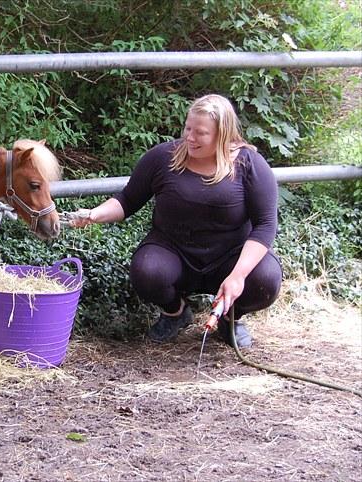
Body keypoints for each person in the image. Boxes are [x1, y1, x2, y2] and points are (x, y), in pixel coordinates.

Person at [71, 94, 282, 348]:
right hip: (174, 252)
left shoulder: (251, 164)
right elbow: (127, 200)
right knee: (147, 271)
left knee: (266, 280)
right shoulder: (163, 157)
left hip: (230, 256)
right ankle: (176, 313)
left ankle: (228, 317)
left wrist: (238, 275)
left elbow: (266, 224)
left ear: (222, 134)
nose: (190, 137)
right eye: (188, 128)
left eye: (201, 133)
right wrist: (94, 214)